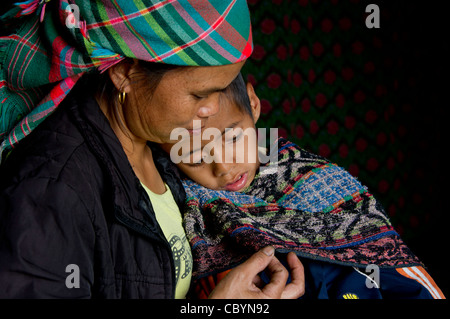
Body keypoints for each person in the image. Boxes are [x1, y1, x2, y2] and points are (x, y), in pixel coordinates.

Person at [0, 0, 305, 299]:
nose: (212, 108)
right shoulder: (54, 192)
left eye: (220, 90)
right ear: (125, 73)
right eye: (199, 94)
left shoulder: (164, 148)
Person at [160, 73, 446, 299]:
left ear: (254, 104)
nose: (223, 166)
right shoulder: (195, 218)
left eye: (233, 138)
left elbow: (400, 271)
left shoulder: (317, 180)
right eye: (195, 156)